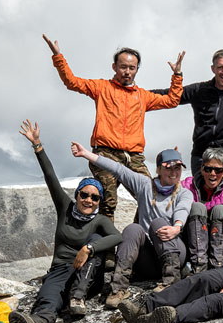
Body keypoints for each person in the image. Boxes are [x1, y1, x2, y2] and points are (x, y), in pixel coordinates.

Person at [43, 34, 185, 220]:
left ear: (136, 70)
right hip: (105, 154)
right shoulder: (102, 88)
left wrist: (177, 75)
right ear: (115, 67)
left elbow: (172, 100)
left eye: (132, 68)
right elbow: (71, 82)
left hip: (134, 157)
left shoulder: (143, 96)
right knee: (108, 201)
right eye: (123, 67)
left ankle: (138, 236)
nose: (127, 71)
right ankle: (106, 246)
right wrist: (58, 57)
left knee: (151, 195)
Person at [9, 120, 123, 323]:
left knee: (98, 238)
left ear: (99, 201)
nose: (89, 200)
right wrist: (38, 146)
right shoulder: (65, 207)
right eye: (84, 195)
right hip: (61, 270)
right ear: (77, 195)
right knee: (49, 295)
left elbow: (117, 237)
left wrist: (88, 248)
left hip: (88, 277)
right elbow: (50, 177)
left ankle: (77, 298)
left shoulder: (99, 219)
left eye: (94, 197)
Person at [71, 141, 194, 308]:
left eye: (177, 168)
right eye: (168, 167)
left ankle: (171, 280)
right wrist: (87, 154)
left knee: (158, 223)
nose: (173, 172)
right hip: (148, 262)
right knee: (132, 229)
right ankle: (118, 288)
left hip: (174, 254)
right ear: (159, 169)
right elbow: (118, 169)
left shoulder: (184, 193)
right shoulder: (145, 185)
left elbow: (183, 209)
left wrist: (177, 227)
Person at [151, 49, 223, 183]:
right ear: (213, 68)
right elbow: (169, 95)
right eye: (220, 67)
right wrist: (137, 95)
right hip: (202, 154)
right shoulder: (200, 89)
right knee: (203, 196)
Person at [182, 147, 223, 273]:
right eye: (208, 169)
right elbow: (179, 198)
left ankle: (217, 266)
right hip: (191, 235)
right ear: (202, 169)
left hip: (221, 235)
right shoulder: (188, 183)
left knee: (221, 209)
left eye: (218, 170)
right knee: (197, 207)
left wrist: (203, 207)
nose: (213, 173)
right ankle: (198, 266)